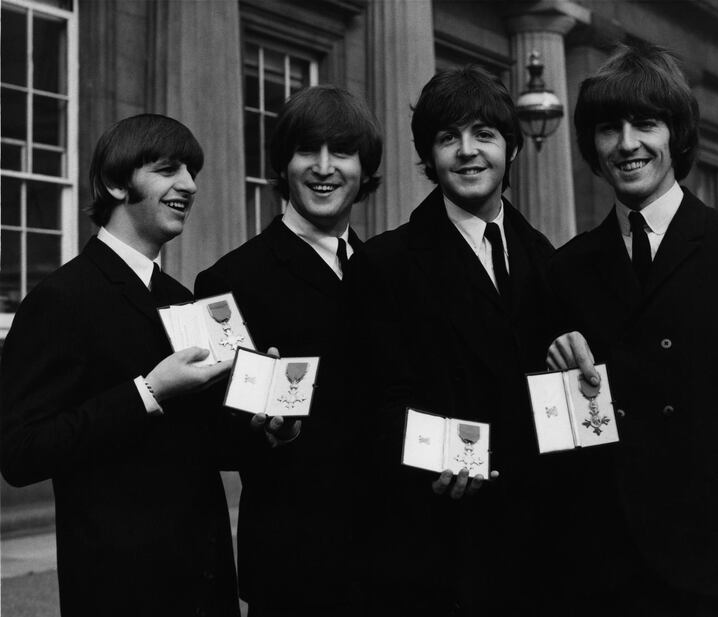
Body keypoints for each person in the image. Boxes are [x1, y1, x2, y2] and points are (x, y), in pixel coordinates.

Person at [547, 43, 718, 617]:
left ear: (678, 134)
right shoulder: (566, 269)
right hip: (603, 571)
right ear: (593, 145)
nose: (628, 144)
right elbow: (565, 434)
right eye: (610, 128)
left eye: (646, 124)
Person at [346, 65, 589, 616]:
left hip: (539, 547)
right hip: (437, 546)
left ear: (512, 150)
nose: (467, 152)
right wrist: (434, 462)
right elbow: (372, 405)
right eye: (448, 137)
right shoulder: (384, 264)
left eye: (484, 135)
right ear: (429, 158)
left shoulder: (548, 259)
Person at [0, 114, 241, 616]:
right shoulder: (60, 298)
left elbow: (203, 443)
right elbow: (20, 453)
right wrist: (148, 392)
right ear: (115, 182)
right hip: (119, 589)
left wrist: (265, 411)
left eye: (192, 171)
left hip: (204, 581)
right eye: (168, 169)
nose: (189, 185)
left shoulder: (184, 299)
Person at [195, 85, 382, 617]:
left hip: (391, 561)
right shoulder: (226, 281)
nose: (324, 168)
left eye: (341, 152)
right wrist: (265, 429)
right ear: (283, 164)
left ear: (364, 169)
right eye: (307, 151)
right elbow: (210, 436)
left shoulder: (387, 271)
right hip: (293, 567)